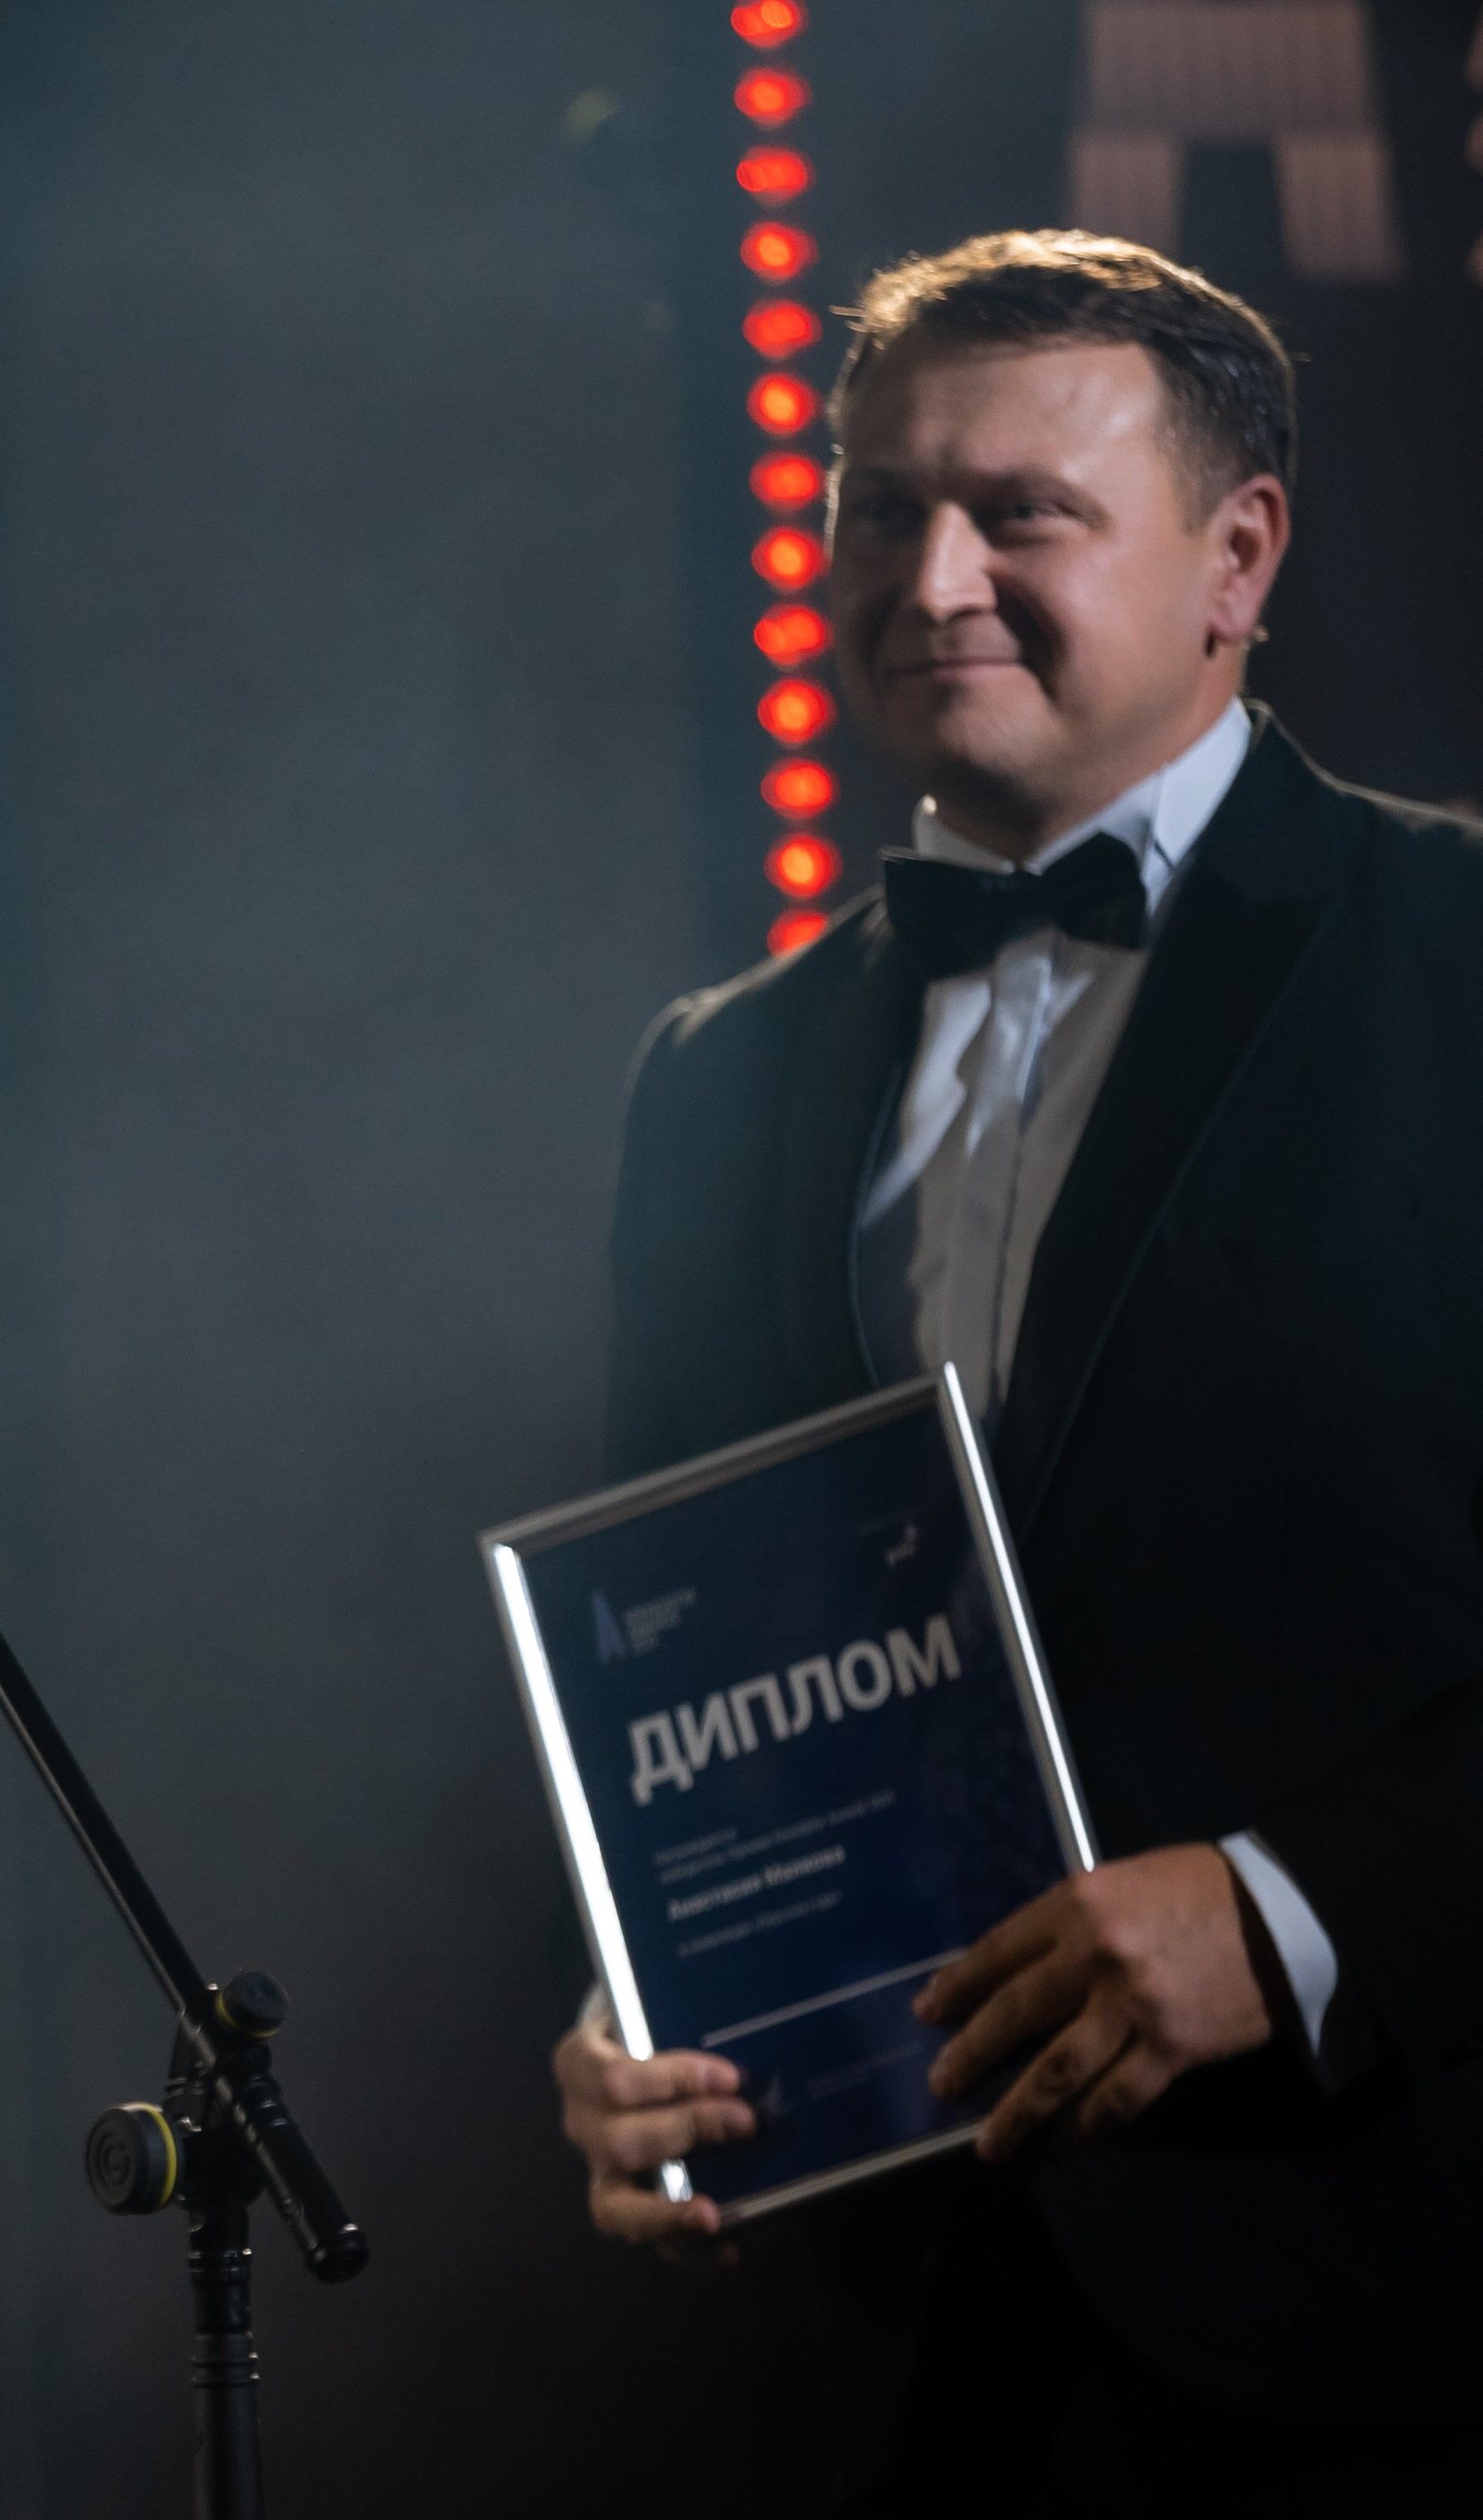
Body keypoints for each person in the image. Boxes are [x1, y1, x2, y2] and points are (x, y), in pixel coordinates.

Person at [551, 230, 1483, 2502]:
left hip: (1402, 2282)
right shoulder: (715, 1075)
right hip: (886, 2346)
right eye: (880, 510)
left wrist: (1292, 1910)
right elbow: (682, 1654)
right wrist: (641, 1996)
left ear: (1235, 556)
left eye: (1017, 514)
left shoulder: (1459, 961)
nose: (929, 578)